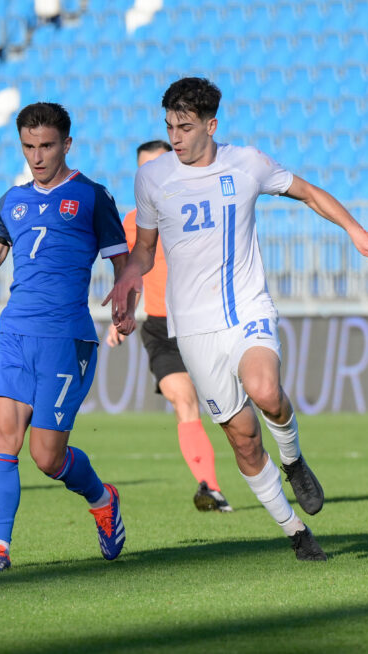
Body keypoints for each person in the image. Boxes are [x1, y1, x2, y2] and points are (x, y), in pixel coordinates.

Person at [107, 77, 368, 561]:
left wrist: (355, 230)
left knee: (265, 391)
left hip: (247, 309)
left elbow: (309, 193)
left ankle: (294, 460)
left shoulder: (247, 163)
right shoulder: (153, 178)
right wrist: (128, 279)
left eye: (186, 126)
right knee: (242, 438)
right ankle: (296, 532)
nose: (175, 136)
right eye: (169, 126)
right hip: (192, 328)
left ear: (211, 125)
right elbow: (146, 249)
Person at [0, 102, 130, 573]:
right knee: (2, 434)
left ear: (66, 144)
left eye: (46, 146)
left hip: (66, 340)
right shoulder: (11, 201)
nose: (37, 156)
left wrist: (125, 306)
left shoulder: (92, 197)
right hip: (16, 334)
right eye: (28, 147)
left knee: (46, 456)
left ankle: (102, 499)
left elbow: (122, 264)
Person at [107, 139, 232, 513]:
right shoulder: (131, 223)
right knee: (184, 400)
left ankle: (272, 469)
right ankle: (210, 487)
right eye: (145, 169)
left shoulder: (199, 209)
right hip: (160, 326)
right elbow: (132, 274)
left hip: (204, 320)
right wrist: (122, 314)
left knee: (231, 409)